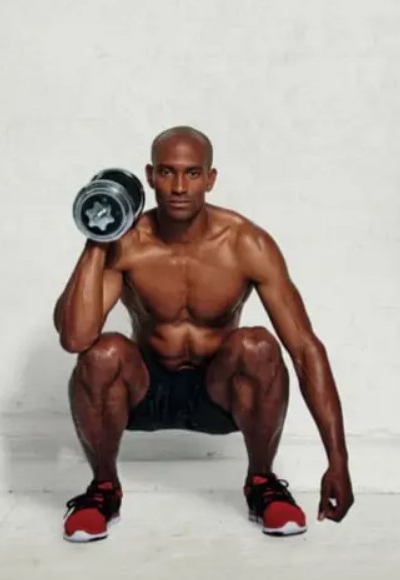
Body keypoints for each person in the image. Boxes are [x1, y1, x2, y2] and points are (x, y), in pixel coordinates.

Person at [54, 126, 353, 542]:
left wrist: (338, 460)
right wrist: (99, 236)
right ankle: (103, 489)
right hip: (145, 395)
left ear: (211, 179)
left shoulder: (245, 243)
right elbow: (74, 338)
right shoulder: (129, 243)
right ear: (150, 175)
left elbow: (304, 349)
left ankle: (261, 483)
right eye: (167, 172)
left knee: (258, 344)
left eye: (192, 173)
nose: (179, 186)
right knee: (101, 352)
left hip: (222, 395)